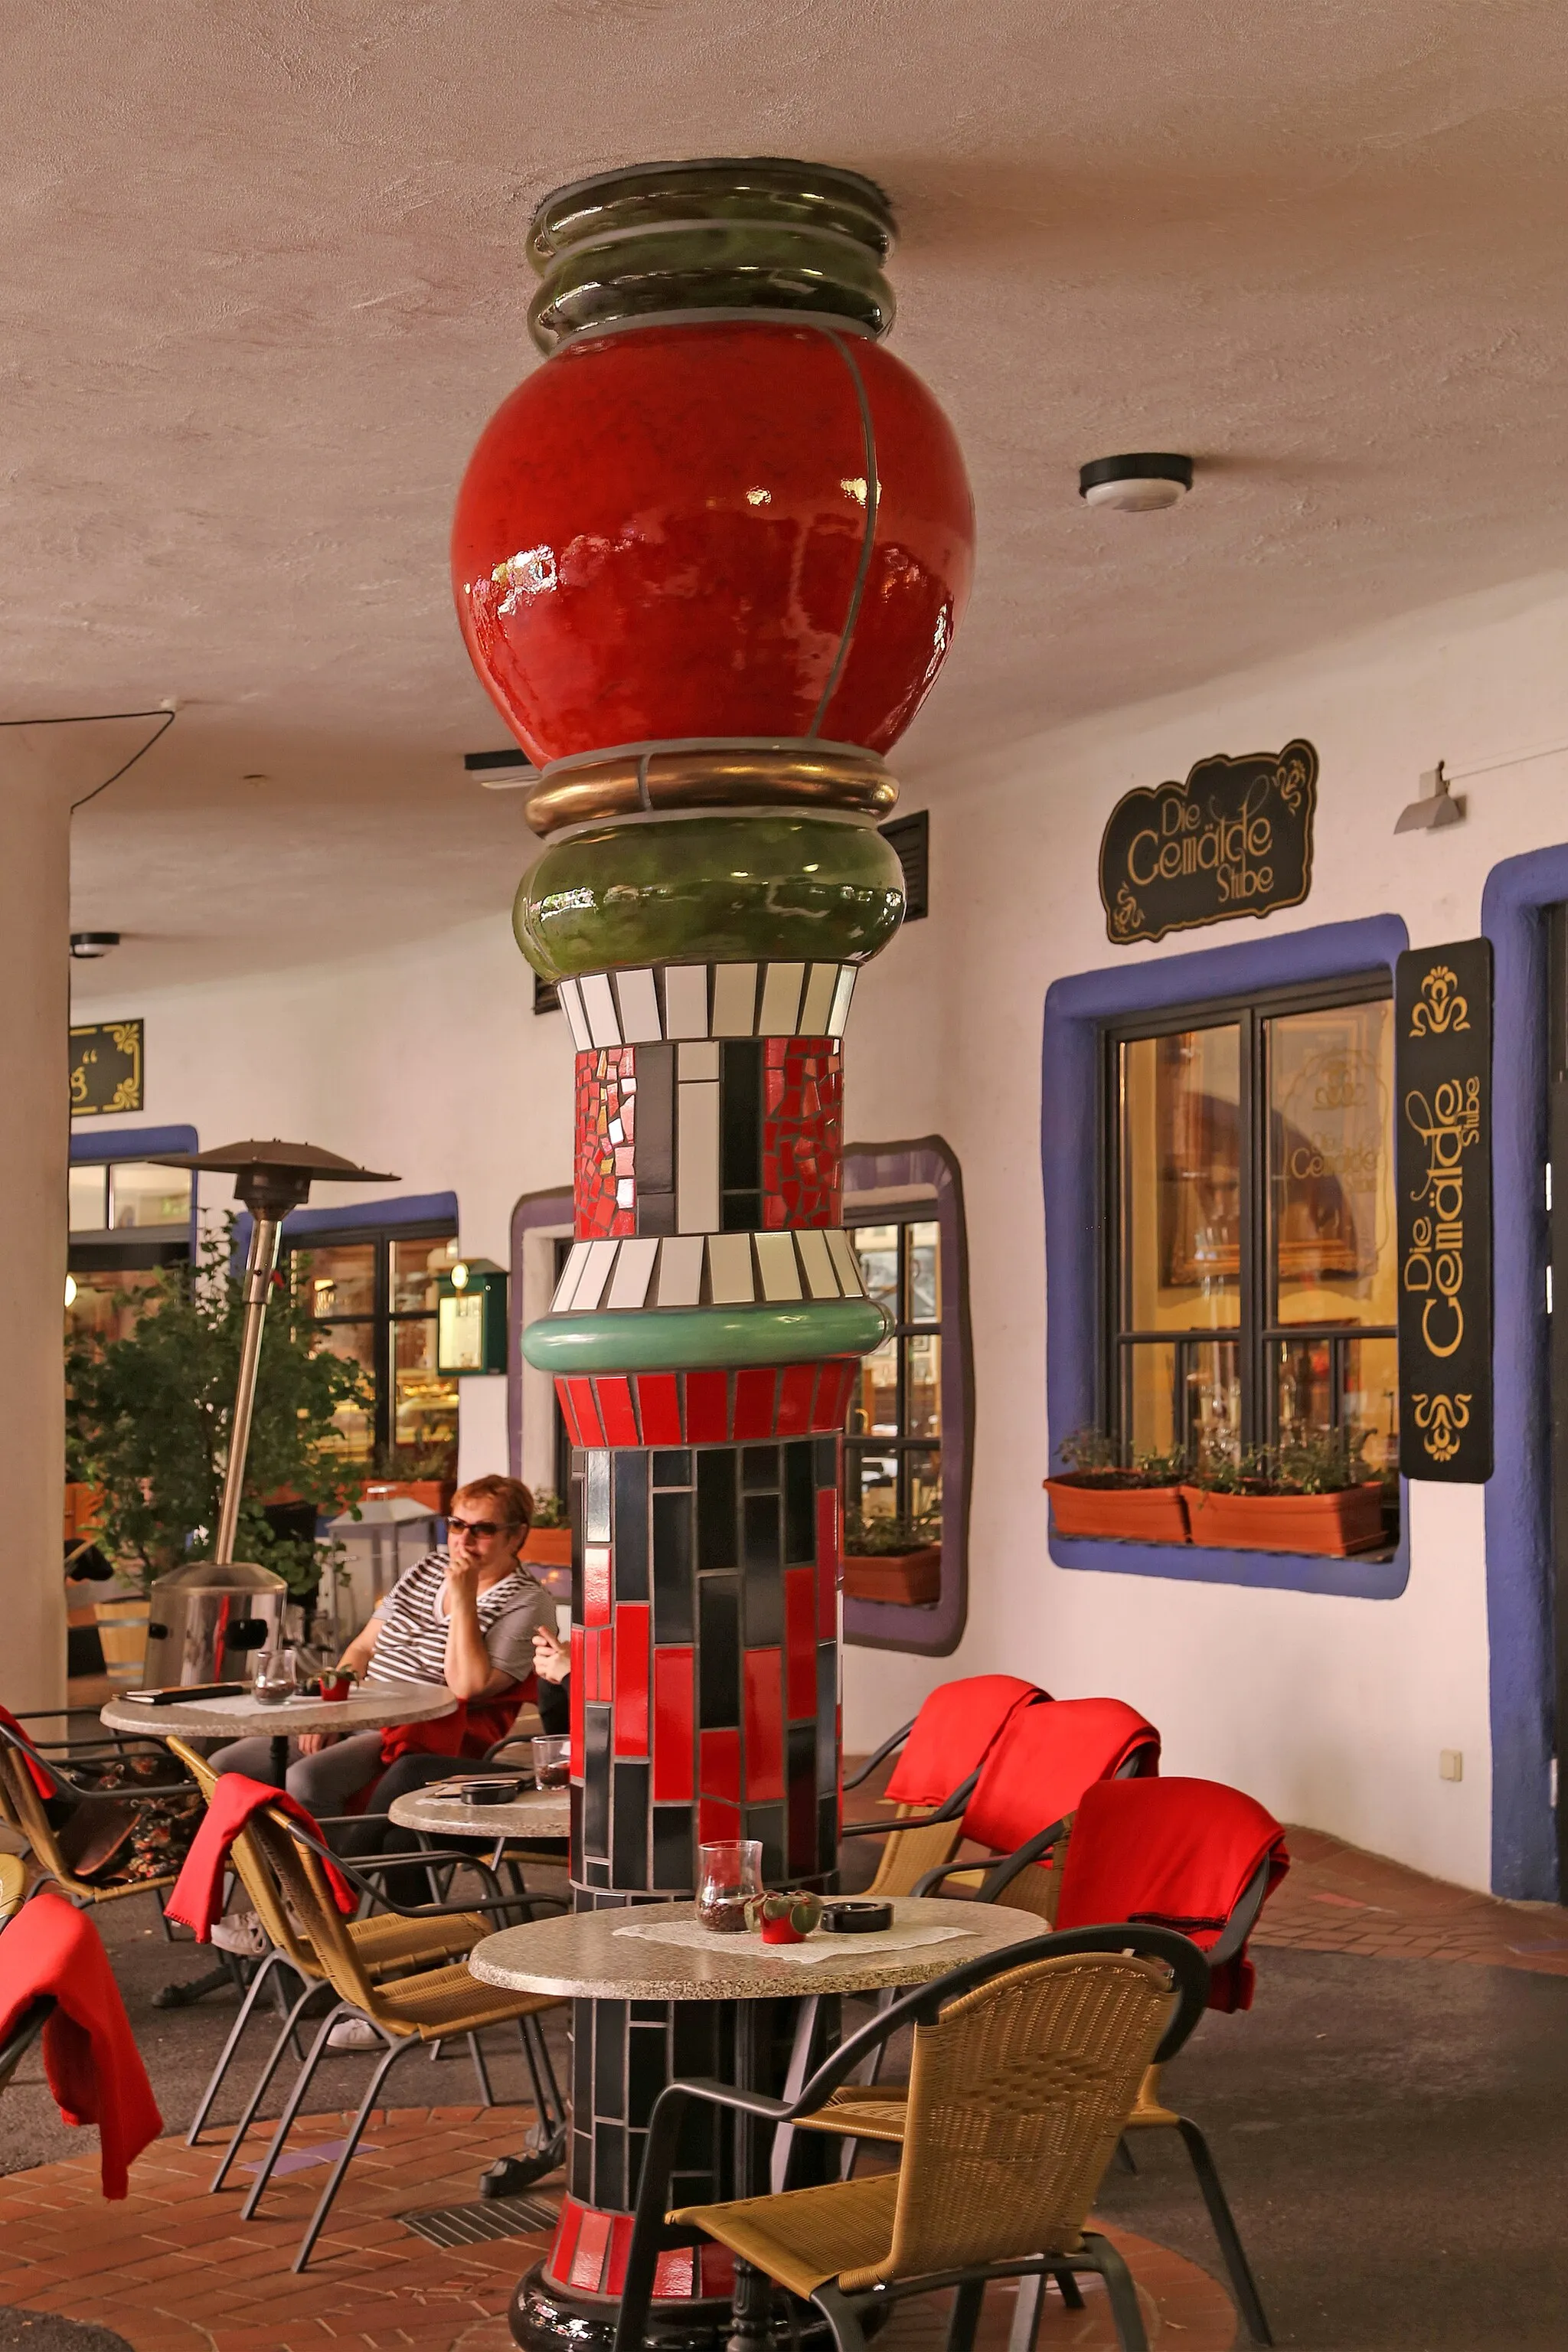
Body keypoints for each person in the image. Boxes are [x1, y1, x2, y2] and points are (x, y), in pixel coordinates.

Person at [209, 1473, 554, 1810]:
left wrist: (464, 1597)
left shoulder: (527, 1601)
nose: (464, 1540)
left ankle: (333, 1869)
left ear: (516, 1536)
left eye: (483, 1529)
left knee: (307, 1780)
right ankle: (254, 1866)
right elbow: (362, 1648)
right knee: (225, 1764)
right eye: (457, 1525)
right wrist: (332, 1713)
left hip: (417, 1732)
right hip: (360, 1710)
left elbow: (468, 1686)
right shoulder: (427, 1569)